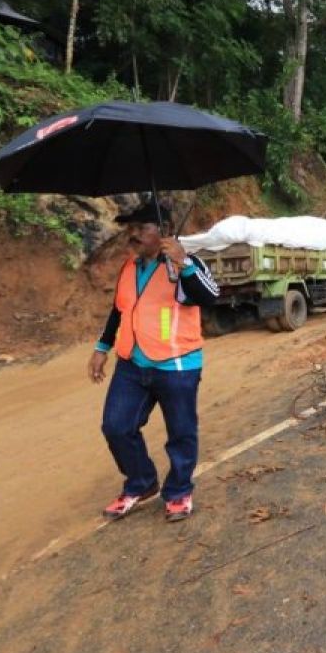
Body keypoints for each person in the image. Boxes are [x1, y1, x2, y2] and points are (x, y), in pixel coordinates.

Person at [88, 200, 219, 522]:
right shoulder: (129, 267)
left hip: (176, 364)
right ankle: (142, 482)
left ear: (165, 232)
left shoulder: (186, 265)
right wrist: (102, 347)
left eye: (141, 228)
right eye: (130, 229)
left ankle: (178, 492)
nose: (132, 235)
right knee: (116, 426)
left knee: (181, 432)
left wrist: (185, 263)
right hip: (132, 363)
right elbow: (120, 309)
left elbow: (210, 296)